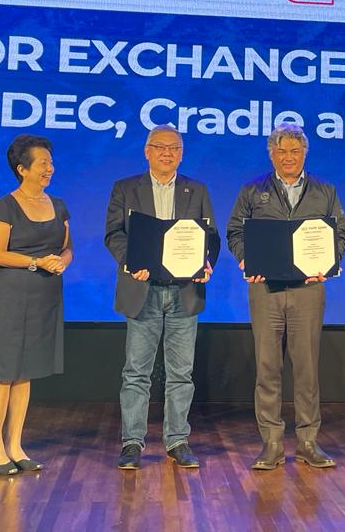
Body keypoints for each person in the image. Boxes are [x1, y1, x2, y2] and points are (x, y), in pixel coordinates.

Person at [227, 124, 345, 470]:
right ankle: (271, 444)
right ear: (272, 155)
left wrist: (328, 262)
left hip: (308, 290)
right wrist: (246, 259)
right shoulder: (252, 190)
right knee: (268, 368)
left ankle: (308, 441)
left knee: (307, 369)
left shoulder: (325, 191)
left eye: (295, 151)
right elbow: (235, 231)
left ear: (304, 154)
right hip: (265, 289)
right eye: (281, 151)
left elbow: (340, 233)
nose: (288, 157)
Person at [104, 125, 220, 470]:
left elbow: (210, 236)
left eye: (174, 148)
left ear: (181, 154)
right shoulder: (125, 188)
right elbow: (114, 234)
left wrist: (206, 262)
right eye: (161, 147)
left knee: (181, 373)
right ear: (147, 151)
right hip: (143, 290)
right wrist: (131, 261)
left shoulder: (196, 189)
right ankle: (132, 442)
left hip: (184, 291)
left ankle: (178, 440)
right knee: (136, 372)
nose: (167, 153)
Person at [0, 134, 72, 475]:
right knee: (4, 371)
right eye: (42, 163)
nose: (50, 168)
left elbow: (67, 247)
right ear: (22, 169)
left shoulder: (59, 205)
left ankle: (16, 445)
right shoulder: (4, 207)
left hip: (45, 295)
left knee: (25, 372)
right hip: (13, 294)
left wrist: (62, 261)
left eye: (51, 163)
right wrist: (36, 262)